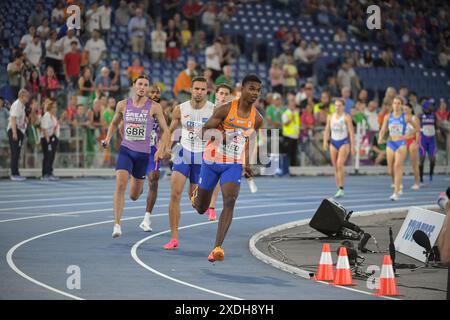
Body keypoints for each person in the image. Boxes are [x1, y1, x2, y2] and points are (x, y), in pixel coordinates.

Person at [192, 74, 264, 263]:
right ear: (242, 89)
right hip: (212, 160)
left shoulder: (257, 118)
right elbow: (202, 132)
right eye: (252, 88)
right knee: (201, 208)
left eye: (258, 89)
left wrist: (247, 163)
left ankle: (217, 247)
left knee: (230, 201)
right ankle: (197, 196)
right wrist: (222, 137)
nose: (255, 93)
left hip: (233, 164)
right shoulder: (225, 110)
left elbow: (249, 140)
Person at [102, 75, 170, 238]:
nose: (142, 87)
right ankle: (117, 224)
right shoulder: (122, 104)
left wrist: (161, 149)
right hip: (126, 150)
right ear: (133, 85)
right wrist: (107, 138)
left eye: (146, 85)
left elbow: (166, 130)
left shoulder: (154, 107)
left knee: (133, 195)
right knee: (120, 185)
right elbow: (114, 123)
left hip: (143, 154)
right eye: (140, 84)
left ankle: (137, 183)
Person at [163, 76, 215, 249]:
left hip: (202, 157)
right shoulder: (180, 109)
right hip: (183, 153)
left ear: (206, 91)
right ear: (191, 90)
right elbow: (170, 130)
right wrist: (165, 147)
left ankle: (201, 204)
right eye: (196, 88)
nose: (199, 92)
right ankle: (174, 238)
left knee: (198, 205)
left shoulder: (214, 111)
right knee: (174, 193)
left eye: (202, 89)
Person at [378, 96, 419, 200]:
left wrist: (407, 135)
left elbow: (417, 128)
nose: (396, 105)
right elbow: (383, 129)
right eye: (395, 103)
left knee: (397, 166)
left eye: (398, 103)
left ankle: (396, 193)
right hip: (390, 143)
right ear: (392, 105)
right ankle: (398, 184)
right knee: (390, 169)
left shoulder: (405, 117)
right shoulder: (388, 116)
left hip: (401, 143)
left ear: (401, 105)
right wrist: (380, 137)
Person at [139, 84, 165, 232]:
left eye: (157, 93)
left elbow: (165, 132)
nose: (155, 95)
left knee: (154, 180)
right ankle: (137, 183)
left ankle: (147, 218)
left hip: (153, 151)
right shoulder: (136, 108)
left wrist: (162, 148)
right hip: (137, 149)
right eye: (152, 92)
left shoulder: (161, 111)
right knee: (135, 194)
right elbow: (122, 127)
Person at [205, 83, 233, 221]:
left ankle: (211, 207)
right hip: (203, 146)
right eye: (221, 93)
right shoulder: (208, 108)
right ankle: (201, 200)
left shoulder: (232, 112)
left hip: (220, 149)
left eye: (226, 94)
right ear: (216, 94)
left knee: (217, 180)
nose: (223, 96)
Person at [323, 98, 355, 198]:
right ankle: (338, 188)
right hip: (333, 142)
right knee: (335, 167)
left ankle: (341, 188)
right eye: (336, 105)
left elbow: (351, 132)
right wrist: (325, 141)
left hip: (344, 142)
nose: (337, 107)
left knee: (340, 164)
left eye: (339, 105)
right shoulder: (330, 116)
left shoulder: (346, 117)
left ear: (343, 107)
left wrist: (353, 146)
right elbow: (327, 130)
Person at [7, 89, 30, 181]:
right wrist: (14, 133)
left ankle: (16, 172)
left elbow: (19, 118)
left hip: (19, 130)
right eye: (26, 96)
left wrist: (25, 119)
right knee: (15, 153)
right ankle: (14, 173)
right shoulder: (17, 105)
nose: (28, 98)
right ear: (21, 96)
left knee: (17, 153)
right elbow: (13, 119)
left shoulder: (22, 106)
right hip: (14, 130)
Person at [418, 100, 438, 186]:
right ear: (425, 108)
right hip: (423, 140)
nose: (432, 108)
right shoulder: (420, 116)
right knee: (421, 159)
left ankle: (430, 174)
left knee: (432, 159)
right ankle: (421, 178)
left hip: (432, 140)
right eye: (430, 106)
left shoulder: (434, 116)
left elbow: (437, 126)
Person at [40, 99, 60, 181]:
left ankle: (50, 172)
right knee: (47, 156)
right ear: (50, 108)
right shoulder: (46, 116)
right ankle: (45, 174)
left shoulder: (53, 117)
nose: (55, 109)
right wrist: (48, 142)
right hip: (46, 138)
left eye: (56, 107)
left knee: (51, 156)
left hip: (52, 138)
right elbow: (44, 129)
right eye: (54, 107)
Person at [403, 103, 420, 190]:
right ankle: (398, 182)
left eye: (406, 109)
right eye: (403, 109)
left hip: (412, 140)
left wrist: (417, 143)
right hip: (403, 141)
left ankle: (417, 182)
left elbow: (417, 131)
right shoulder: (402, 118)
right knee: (398, 162)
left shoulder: (414, 118)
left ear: (410, 109)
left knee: (414, 163)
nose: (404, 111)